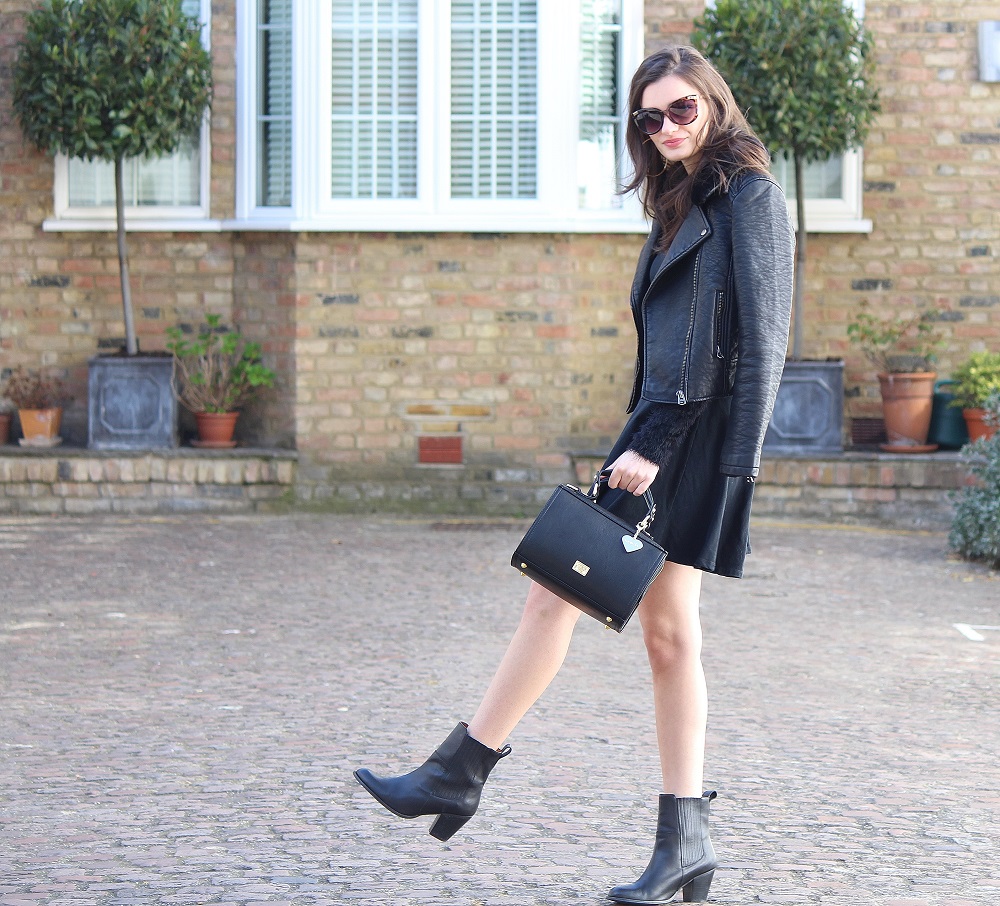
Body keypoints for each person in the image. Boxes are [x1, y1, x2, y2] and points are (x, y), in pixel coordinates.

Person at [354, 44, 794, 904]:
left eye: (682, 111)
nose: (666, 128)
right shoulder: (681, 197)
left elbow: (755, 338)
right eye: (650, 117)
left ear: (715, 105)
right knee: (664, 635)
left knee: (558, 587)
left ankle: (462, 770)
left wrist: (673, 448)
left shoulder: (749, 192)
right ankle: (685, 843)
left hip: (689, 442)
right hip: (663, 432)